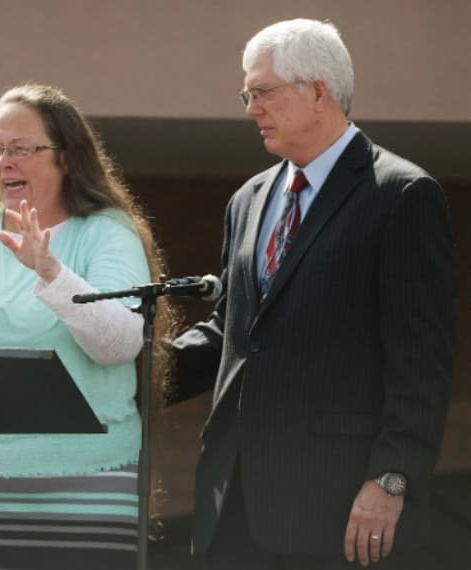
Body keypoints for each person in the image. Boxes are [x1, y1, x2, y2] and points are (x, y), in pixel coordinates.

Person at [169, 18, 455, 569]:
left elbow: (421, 364)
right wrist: (128, 374)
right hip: (231, 504)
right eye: (246, 94)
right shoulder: (248, 198)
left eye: (263, 92)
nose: (251, 108)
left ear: (318, 91)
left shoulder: (402, 195)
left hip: (338, 510)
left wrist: (390, 481)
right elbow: (231, 331)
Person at [0, 83, 171, 569]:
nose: (4, 162)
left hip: (87, 487)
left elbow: (122, 343)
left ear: (66, 157)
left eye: (21, 149)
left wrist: (52, 273)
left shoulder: (106, 232)